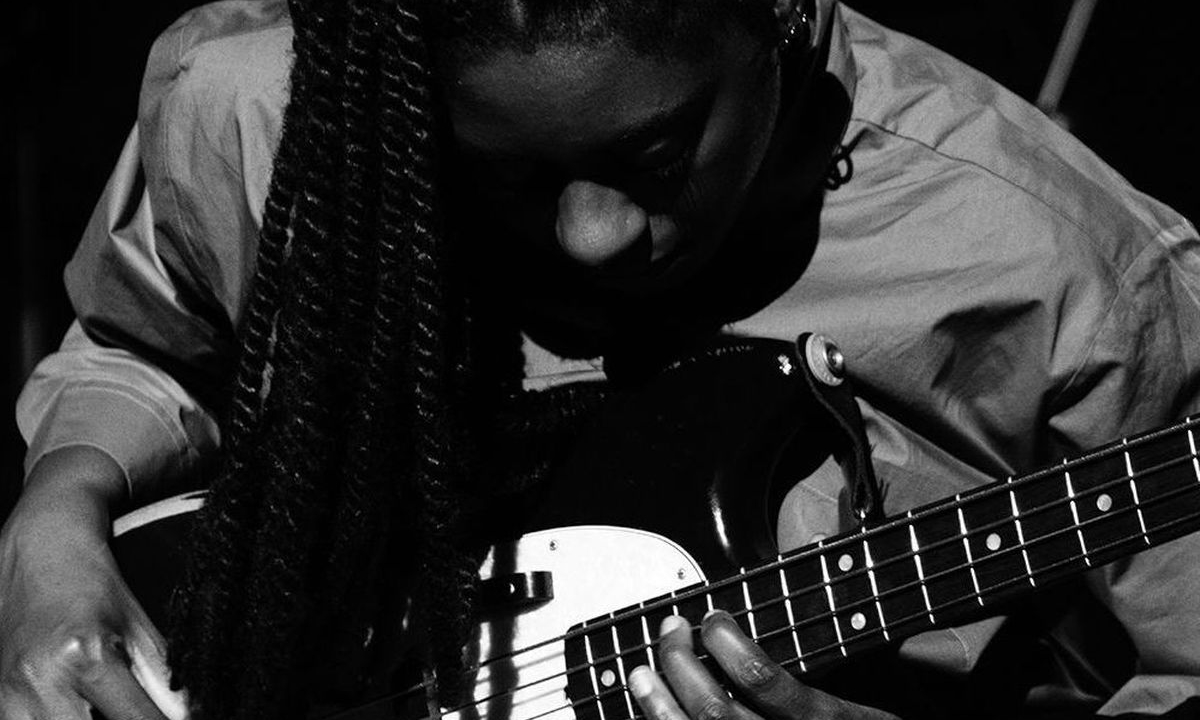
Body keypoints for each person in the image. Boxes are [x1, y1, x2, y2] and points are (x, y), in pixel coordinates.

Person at [2, 0, 1199, 718]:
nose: (590, 234)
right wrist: (51, 522)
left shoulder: (1065, 268)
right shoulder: (284, 113)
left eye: (656, 157)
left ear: (778, 16)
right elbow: (145, 351)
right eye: (511, 175)